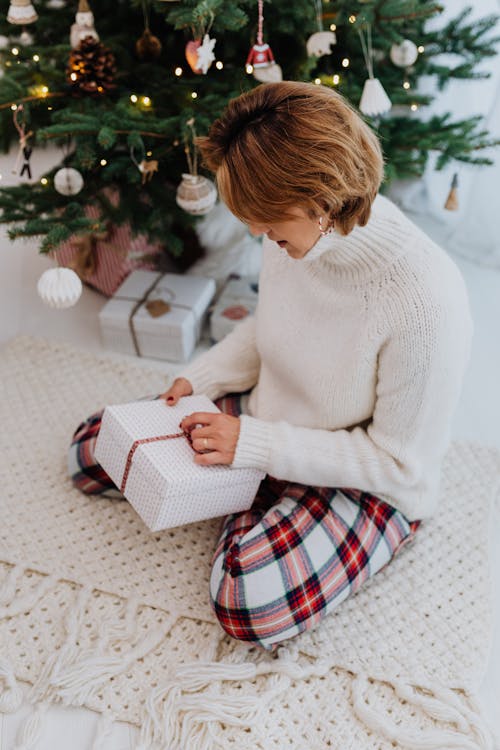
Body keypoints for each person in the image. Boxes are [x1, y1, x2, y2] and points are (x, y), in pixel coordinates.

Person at [69, 81, 473, 652]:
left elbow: (400, 465)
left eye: (266, 219)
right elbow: (270, 325)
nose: (256, 234)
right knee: (92, 448)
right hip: (270, 419)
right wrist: (203, 378)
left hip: (367, 471)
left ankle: (316, 513)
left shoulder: (425, 301)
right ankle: (256, 494)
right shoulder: (295, 234)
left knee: (245, 599)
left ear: (324, 197)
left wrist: (251, 447)